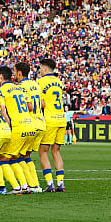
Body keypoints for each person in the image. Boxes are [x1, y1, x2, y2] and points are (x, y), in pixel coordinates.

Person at [0, 65, 37, 194]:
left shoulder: (1, 91)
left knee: (3, 159)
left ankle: (17, 187)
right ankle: (28, 186)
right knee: (17, 157)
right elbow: (30, 107)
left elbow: (3, 111)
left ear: (1, 77)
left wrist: (9, 125)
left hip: (18, 127)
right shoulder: (20, 89)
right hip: (30, 126)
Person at [14, 62, 44, 192]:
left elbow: (29, 106)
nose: (14, 74)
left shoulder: (21, 87)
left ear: (19, 73)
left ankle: (28, 185)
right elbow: (42, 104)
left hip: (29, 124)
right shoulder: (35, 84)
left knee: (17, 156)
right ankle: (35, 185)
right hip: (41, 124)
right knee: (26, 156)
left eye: (14, 72)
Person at [38, 58, 67, 192]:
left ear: (44, 69)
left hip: (49, 120)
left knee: (43, 151)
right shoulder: (58, 82)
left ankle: (50, 183)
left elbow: (42, 103)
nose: (39, 71)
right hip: (61, 118)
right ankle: (60, 183)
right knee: (56, 151)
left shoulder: (40, 82)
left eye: (40, 68)